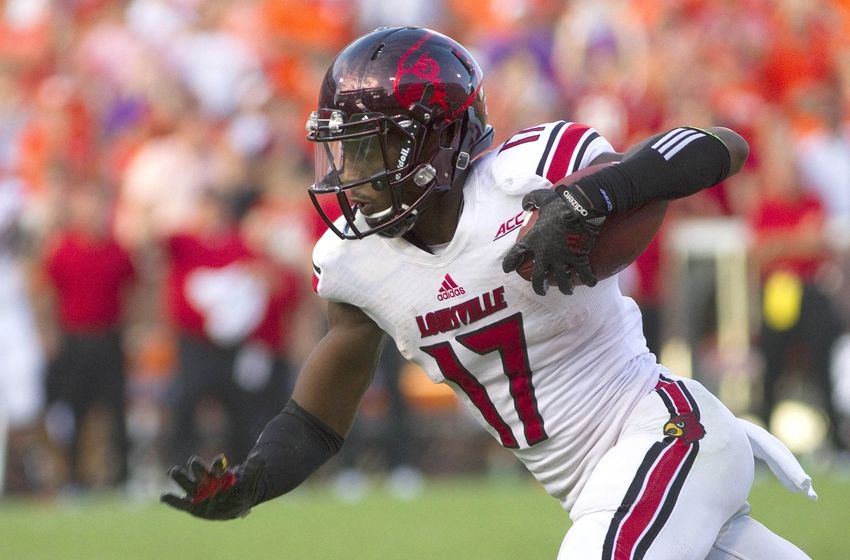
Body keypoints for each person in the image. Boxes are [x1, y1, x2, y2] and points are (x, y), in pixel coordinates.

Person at [162, 27, 816, 559]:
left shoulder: (524, 176)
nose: (349, 178)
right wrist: (251, 483)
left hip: (665, 434)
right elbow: (314, 421)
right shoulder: (353, 263)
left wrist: (593, 197)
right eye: (343, 154)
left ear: (437, 138)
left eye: (368, 151)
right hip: (603, 486)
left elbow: (719, 147)